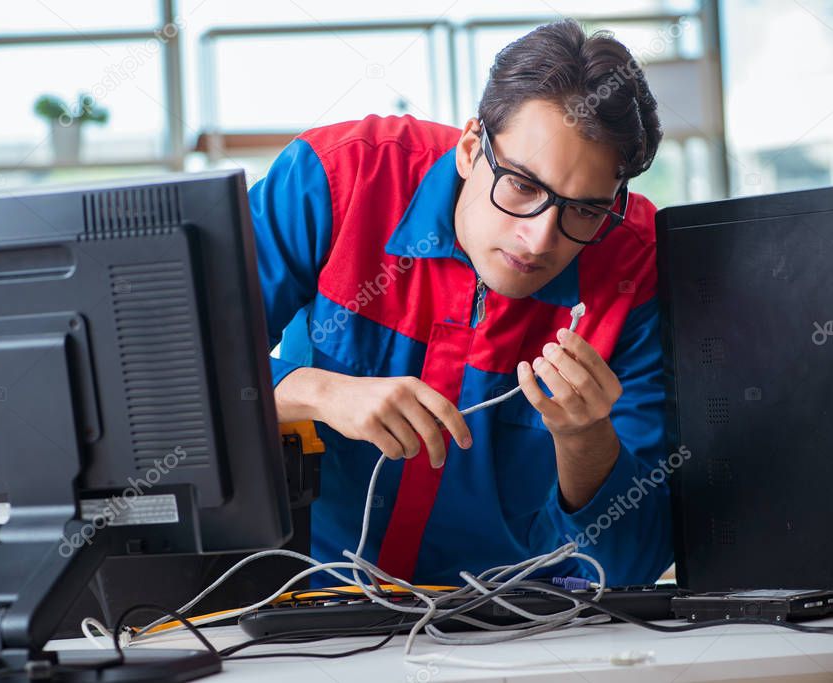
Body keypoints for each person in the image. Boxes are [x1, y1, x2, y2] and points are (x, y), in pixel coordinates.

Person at [250, 19, 671, 585]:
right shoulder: (339, 176)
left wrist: (584, 439)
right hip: (301, 602)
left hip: (524, 627)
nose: (540, 238)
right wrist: (315, 391)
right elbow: (167, 373)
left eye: (584, 210)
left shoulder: (635, 263)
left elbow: (634, 563)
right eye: (522, 185)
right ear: (472, 148)